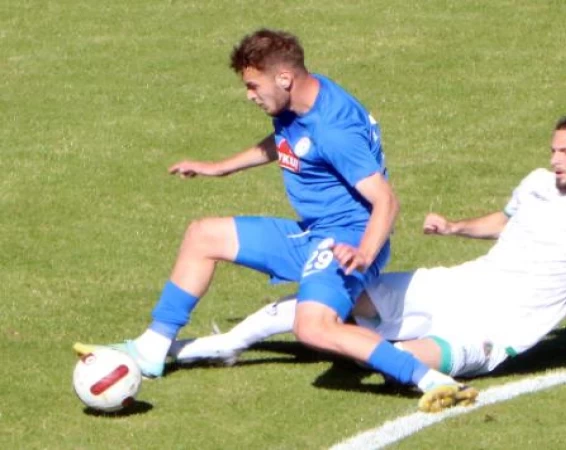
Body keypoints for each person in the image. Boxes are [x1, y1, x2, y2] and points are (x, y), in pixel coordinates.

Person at [169, 112, 566, 395]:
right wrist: (456, 227)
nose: (554, 159)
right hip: (454, 285)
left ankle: (375, 343)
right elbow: (504, 222)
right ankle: (225, 344)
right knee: (333, 290)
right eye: (553, 149)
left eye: (565, 151)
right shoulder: (538, 183)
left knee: (380, 363)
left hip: (491, 332)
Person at [74, 28, 477, 413]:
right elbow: (288, 142)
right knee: (203, 235)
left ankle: (429, 379)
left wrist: (364, 253)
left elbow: (386, 200)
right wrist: (220, 167)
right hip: (312, 233)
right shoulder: (300, 101)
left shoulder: (333, 129)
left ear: (284, 77)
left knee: (313, 328)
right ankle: (152, 348)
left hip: (345, 241)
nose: (249, 95)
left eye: (253, 86)